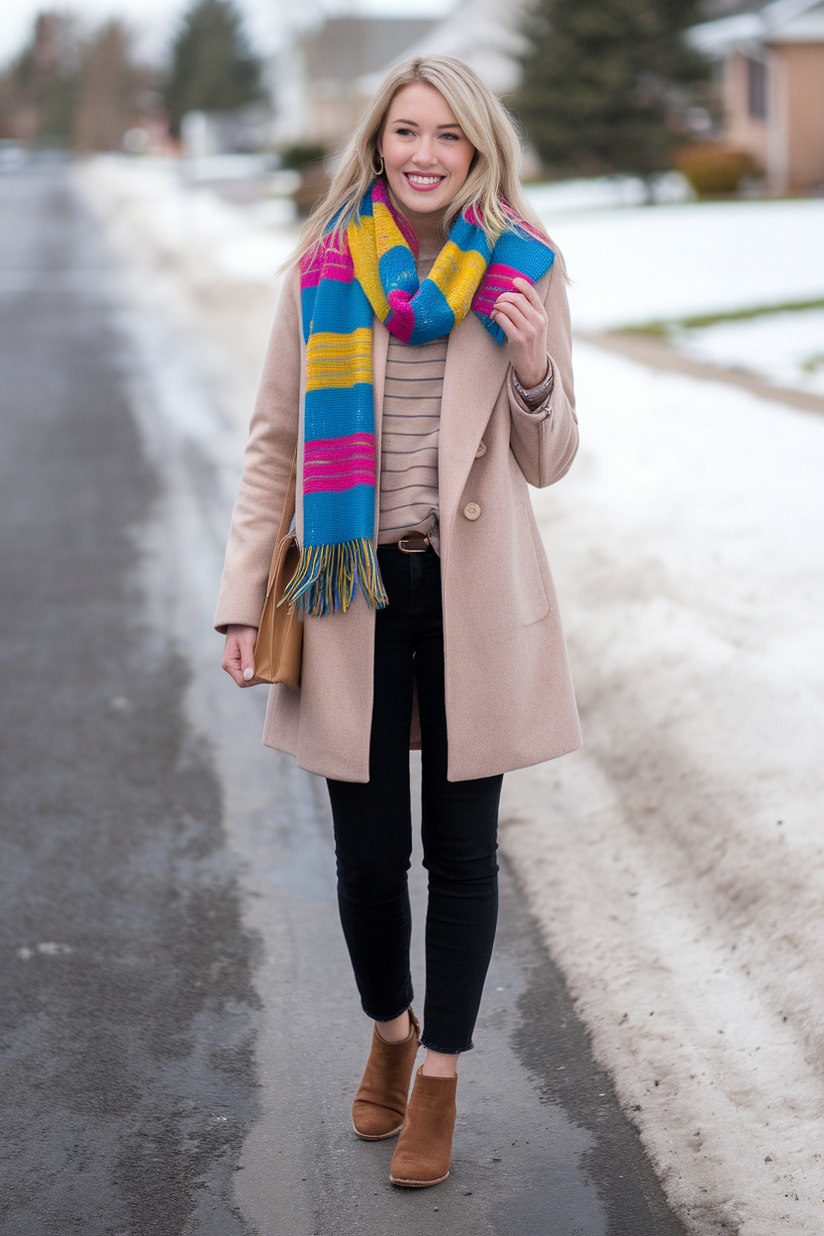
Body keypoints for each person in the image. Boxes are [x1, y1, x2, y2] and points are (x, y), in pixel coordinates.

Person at [216, 54, 580, 1189]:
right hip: (345, 594)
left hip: (469, 596)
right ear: (378, 140)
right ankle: (390, 1029)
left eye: (446, 138)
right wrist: (239, 599)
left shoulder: (522, 267)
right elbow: (274, 443)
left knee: (461, 856)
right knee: (370, 863)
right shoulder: (320, 270)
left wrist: (530, 366)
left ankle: (442, 1076)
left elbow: (548, 456)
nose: (421, 154)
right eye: (404, 132)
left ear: (476, 153)